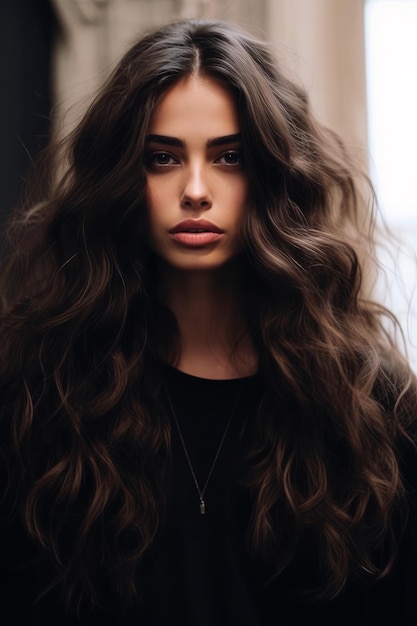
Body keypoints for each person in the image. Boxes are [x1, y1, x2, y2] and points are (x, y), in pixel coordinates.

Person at [0, 17, 416, 626]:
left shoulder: (371, 409)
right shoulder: (43, 396)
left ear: (272, 177)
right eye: (163, 158)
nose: (196, 189)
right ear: (121, 178)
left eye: (229, 158)